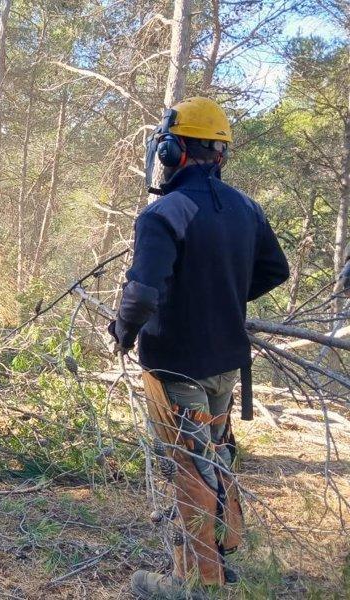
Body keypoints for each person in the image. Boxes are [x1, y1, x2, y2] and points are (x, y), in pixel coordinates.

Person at [108, 97, 289, 598]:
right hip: (225, 365)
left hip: (176, 364)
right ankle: (225, 553)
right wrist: (224, 292)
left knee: (190, 464)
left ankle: (196, 583)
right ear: (220, 154)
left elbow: (142, 292)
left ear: (172, 151)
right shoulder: (247, 209)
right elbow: (276, 270)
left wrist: (122, 332)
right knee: (215, 454)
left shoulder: (165, 212)